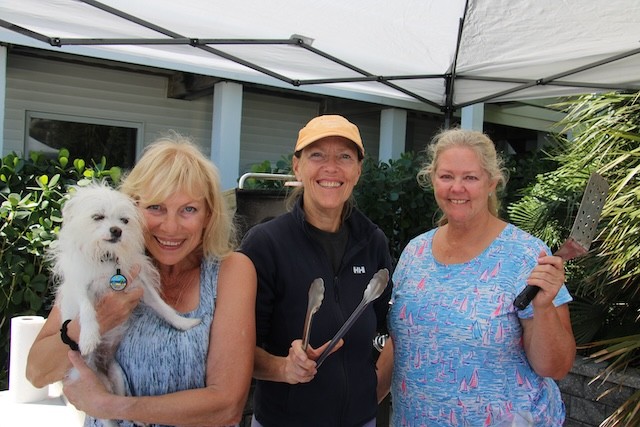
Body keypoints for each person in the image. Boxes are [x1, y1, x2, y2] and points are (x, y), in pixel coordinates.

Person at [26, 134, 256, 427]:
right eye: (156, 207)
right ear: (132, 207)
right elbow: (37, 373)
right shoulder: (100, 265)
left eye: (188, 209)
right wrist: (96, 321)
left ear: (208, 216)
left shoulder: (229, 272)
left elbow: (226, 406)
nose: (170, 227)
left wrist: (111, 405)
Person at [377, 128, 576, 426]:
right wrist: (361, 405)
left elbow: (555, 367)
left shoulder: (526, 255)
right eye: (446, 176)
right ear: (433, 180)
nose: (457, 188)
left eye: (470, 177)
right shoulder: (415, 252)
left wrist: (544, 307)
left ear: (491, 183)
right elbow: (403, 342)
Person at [238, 115, 393, 427]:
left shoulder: (372, 241)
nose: (331, 168)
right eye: (317, 155)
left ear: (358, 170)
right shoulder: (266, 244)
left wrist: (370, 394)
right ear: (297, 166)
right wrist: (283, 367)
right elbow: (236, 348)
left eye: (344, 157)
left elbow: (385, 327)